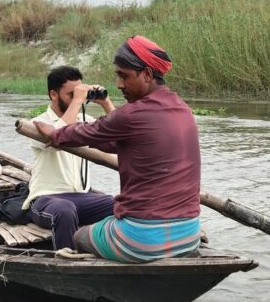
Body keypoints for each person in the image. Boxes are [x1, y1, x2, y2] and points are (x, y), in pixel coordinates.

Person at [34, 36, 202, 263]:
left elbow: (78, 133)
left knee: (80, 236)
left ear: (147, 74)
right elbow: (111, 139)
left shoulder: (131, 115)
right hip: (190, 234)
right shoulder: (183, 110)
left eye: (124, 76)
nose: (119, 84)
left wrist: (53, 133)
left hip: (142, 240)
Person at [24, 66, 116, 250]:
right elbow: (59, 134)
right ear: (53, 94)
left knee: (120, 204)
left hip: (82, 197)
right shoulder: (39, 124)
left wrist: (106, 103)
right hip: (46, 200)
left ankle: (114, 254)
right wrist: (78, 100)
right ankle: (66, 263)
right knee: (65, 209)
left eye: (79, 93)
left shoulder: (86, 121)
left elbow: (121, 134)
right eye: (71, 94)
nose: (77, 99)